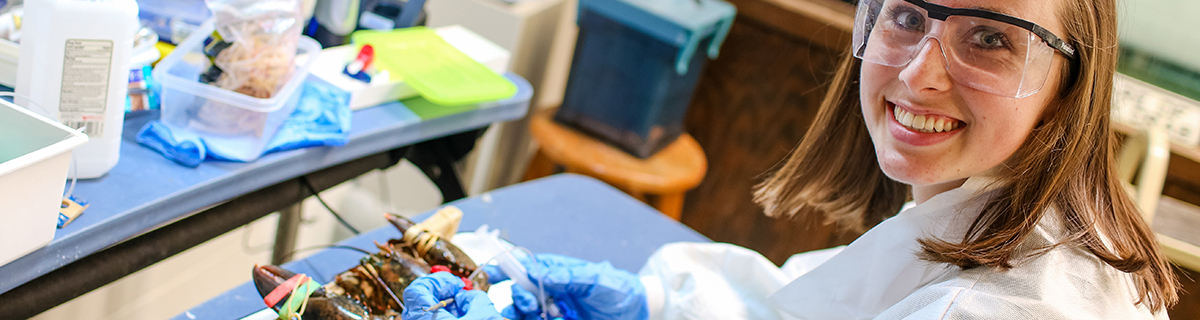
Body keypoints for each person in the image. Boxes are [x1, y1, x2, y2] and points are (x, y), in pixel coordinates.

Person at [401, 0, 1181, 318]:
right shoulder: (987, 211)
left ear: (1072, 83)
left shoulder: (1019, 309)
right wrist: (656, 302)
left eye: (990, 38)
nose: (918, 73)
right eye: (907, 14)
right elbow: (803, 311)